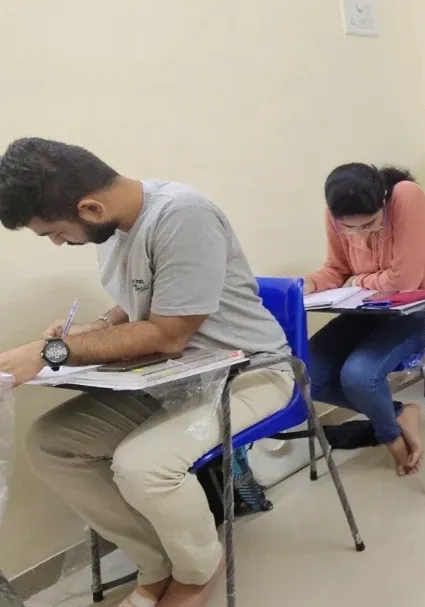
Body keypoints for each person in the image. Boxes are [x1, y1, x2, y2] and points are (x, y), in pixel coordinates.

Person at [0, 138, 295, 607]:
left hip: (250, 373)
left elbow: (168, 334)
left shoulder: (184, 216)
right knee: (50, 444)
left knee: (143, 466)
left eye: (54, 232)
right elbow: (148, 296)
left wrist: (52, 351)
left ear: (90, 208)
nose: (57, 243)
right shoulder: (114, 226)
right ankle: (156, 563)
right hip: (175, 378)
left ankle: (198, 567)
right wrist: (99, 327)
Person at [303, 164, 425, 476]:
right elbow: (337, 269)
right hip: (371, 312)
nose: (361, 234)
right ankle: (399, 413)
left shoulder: (405, 196)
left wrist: (360, 279)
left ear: (383, 201)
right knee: (306, 374)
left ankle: (392, 440)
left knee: (358, 375)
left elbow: (405, 280)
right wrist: (309, 284)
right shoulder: (335, 214)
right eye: (350, 228)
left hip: (424, 310)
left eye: (370, 224)